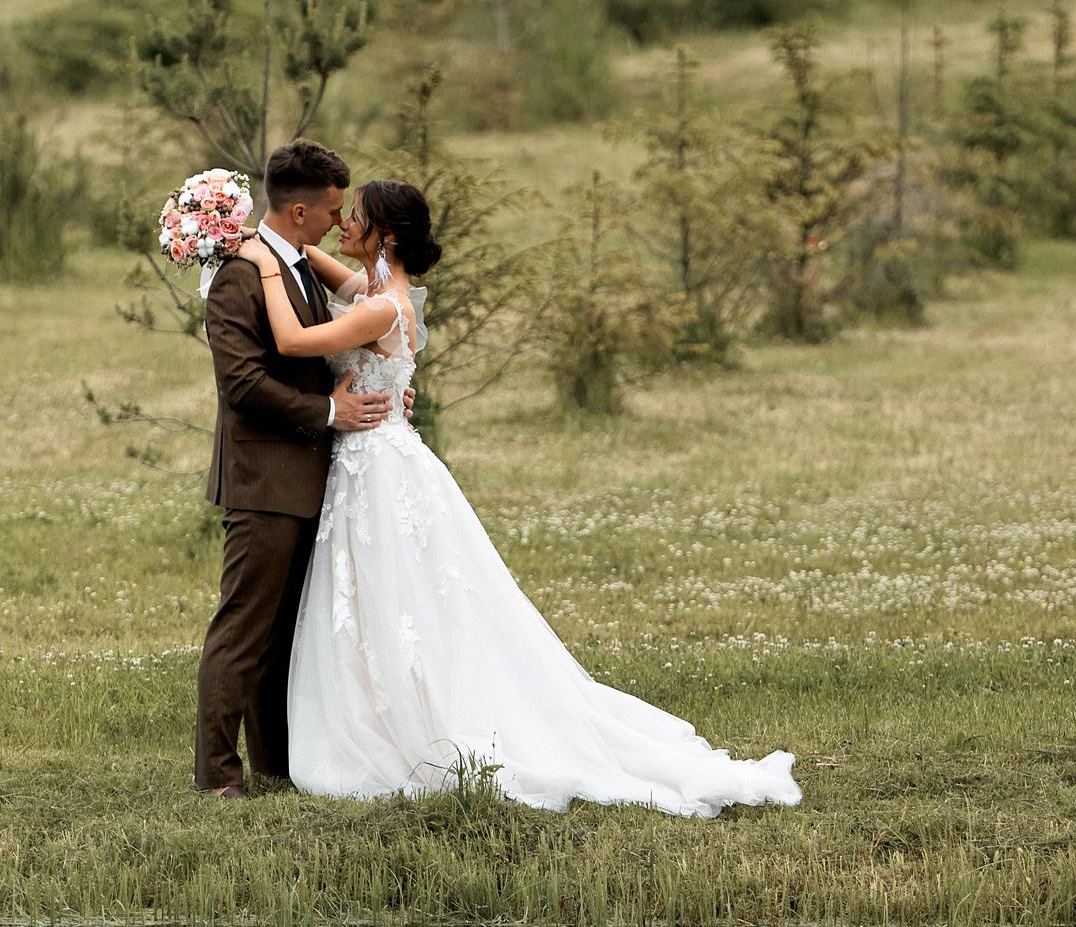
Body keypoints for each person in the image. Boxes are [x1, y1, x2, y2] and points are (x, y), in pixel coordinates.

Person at [238, 178, 804, 819]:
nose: (343, 224)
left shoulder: (382, 308)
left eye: (356, 218)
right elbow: (314, 258)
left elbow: (288, 341)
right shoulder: (371, 290)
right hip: (371, 460)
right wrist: (258, 234)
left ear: (385, 235)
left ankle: (417, 722)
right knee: (378, 598)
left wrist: (260, 267)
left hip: (379, 470)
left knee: (400, 597)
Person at [194, 140, 394, 801]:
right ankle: (219, 777)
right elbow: (243, 383)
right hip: (264, 481)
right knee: (244, 630)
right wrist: (329, 410)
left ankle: (275, 765)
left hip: (308, 479)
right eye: (334, 209)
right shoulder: (240, 277)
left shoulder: (295, 263)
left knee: (282, 636)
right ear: (301, 209)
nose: (342, 220)